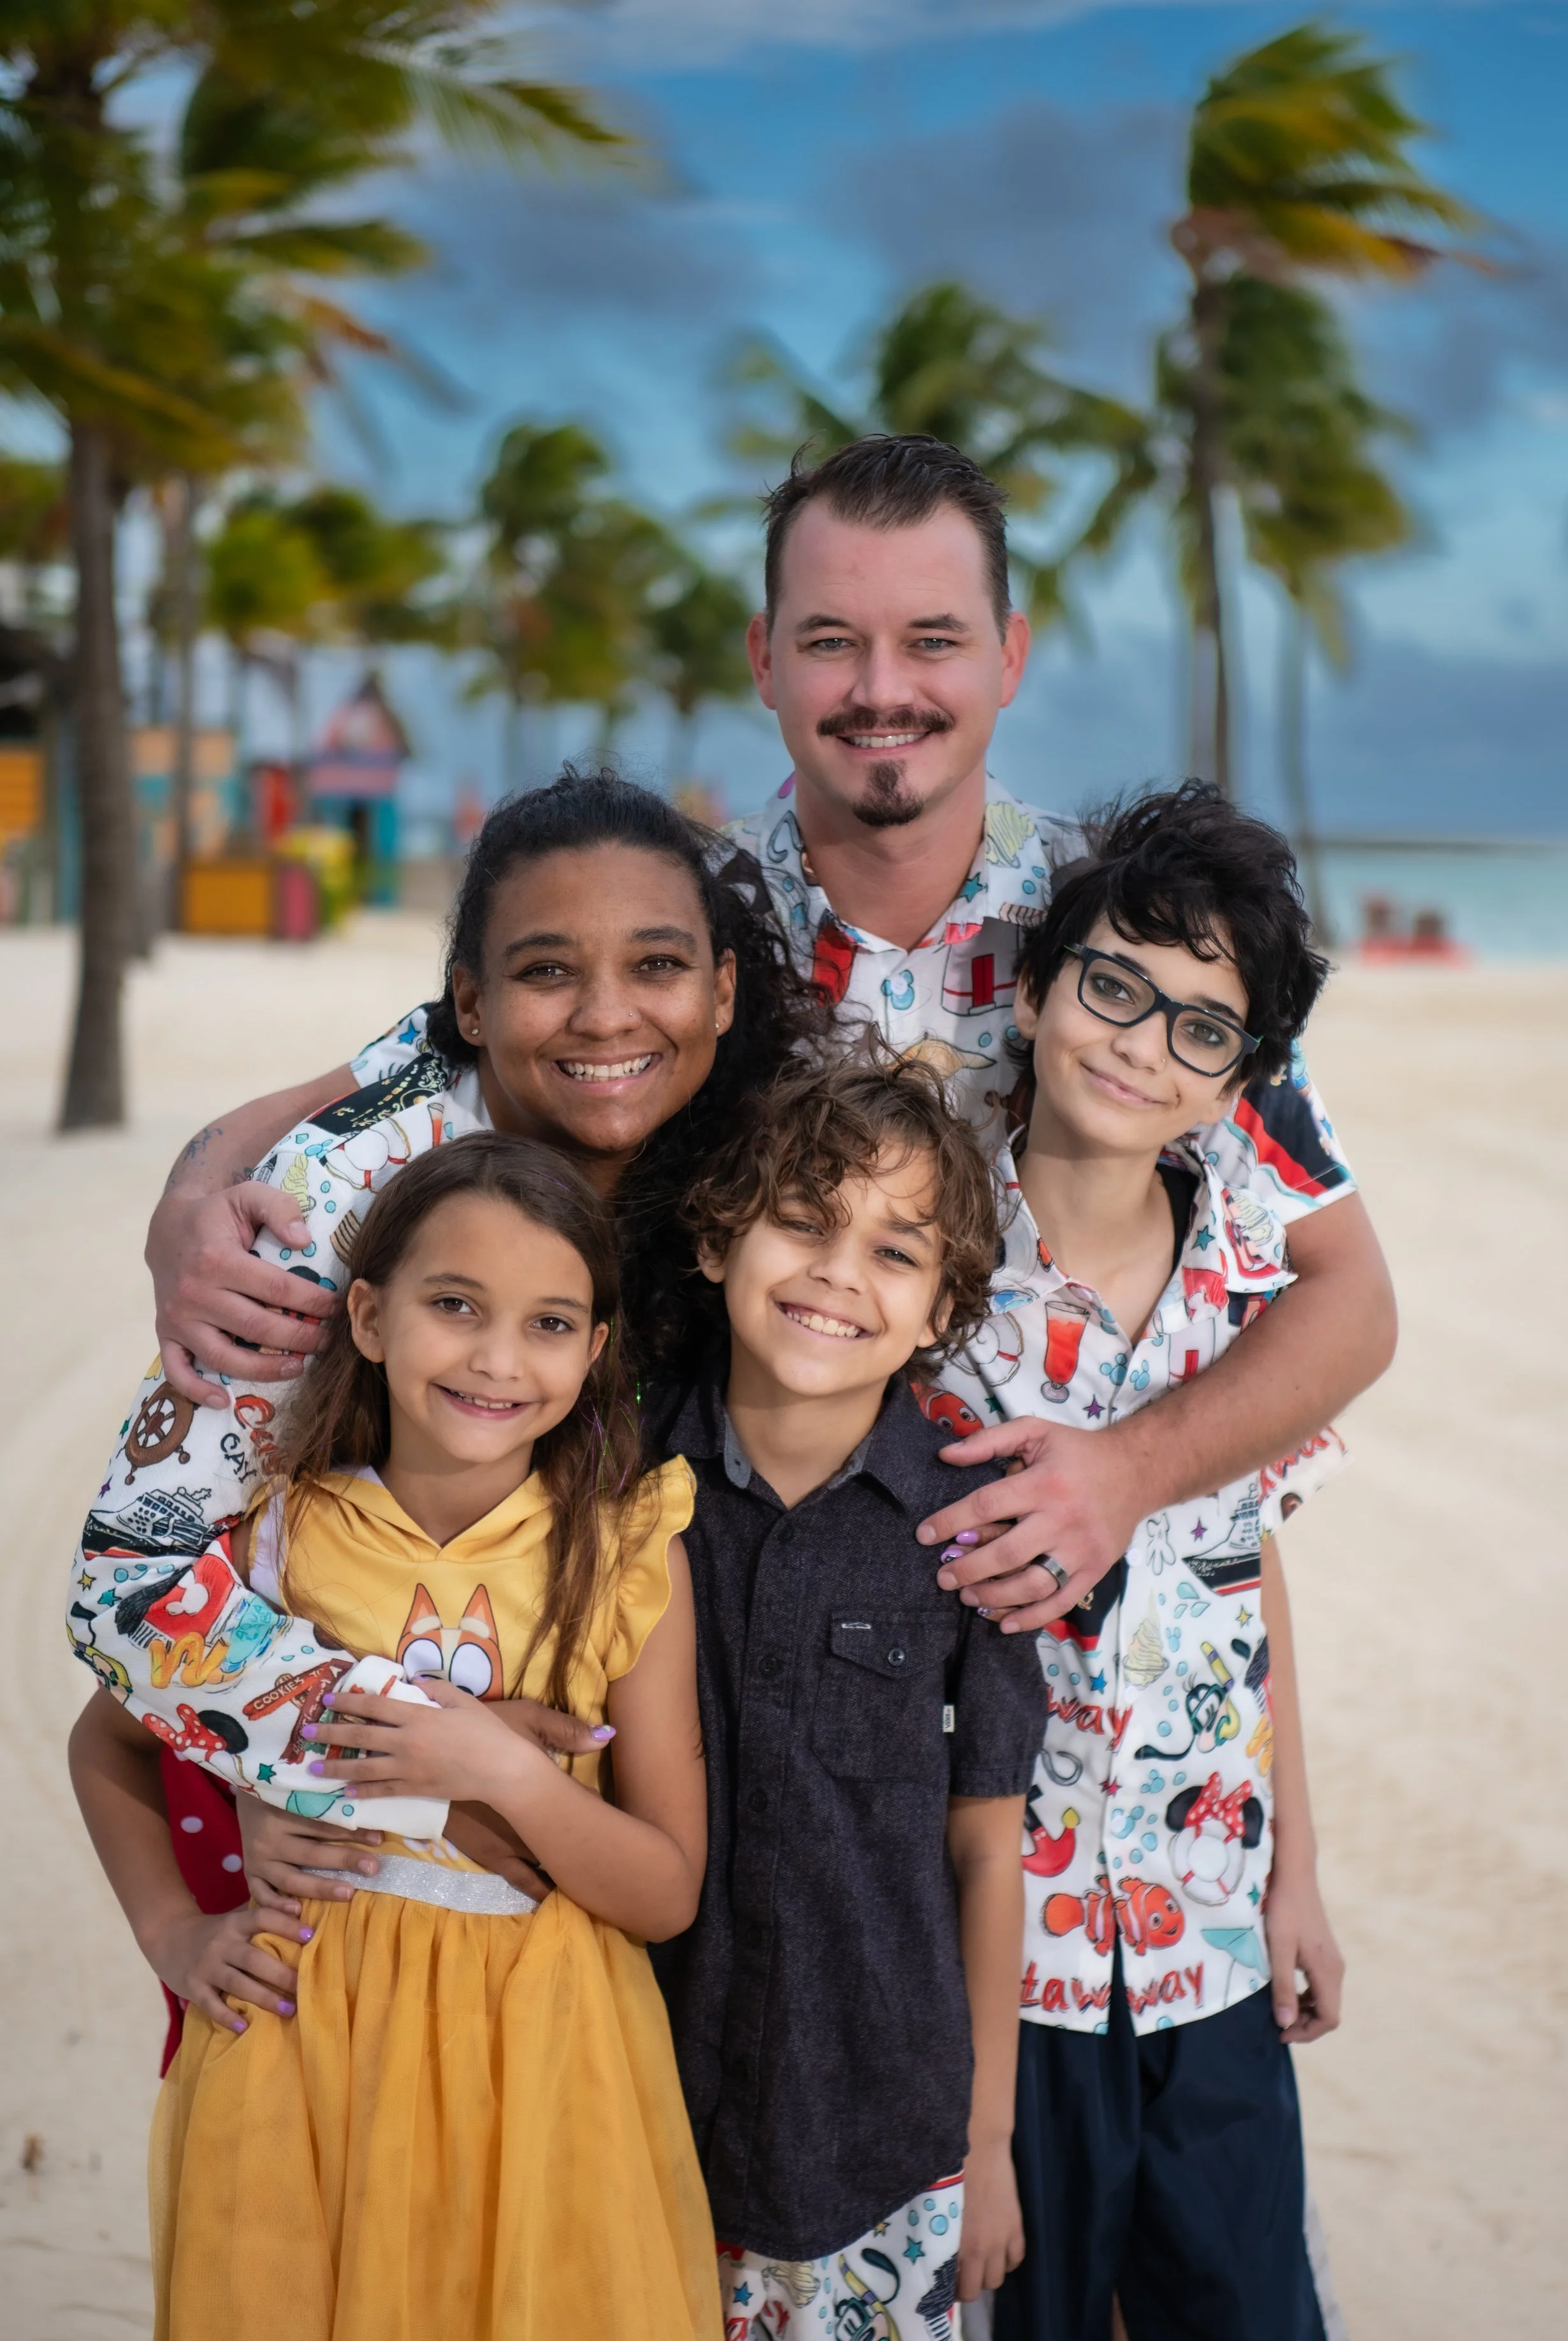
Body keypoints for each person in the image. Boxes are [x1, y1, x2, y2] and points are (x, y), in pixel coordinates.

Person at [138, 434, 1395, 1644]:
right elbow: (395, 1069)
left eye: (932, 642)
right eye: (831, 643)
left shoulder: (1120, 940)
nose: (881, 689)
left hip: (1064, 1631)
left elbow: (1349, 1295)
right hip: (747, 1594)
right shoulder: (680, 924)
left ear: (1007, 657)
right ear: (764, 658)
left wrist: (1127, 1471)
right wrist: (192, 1192)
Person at [68, 767, 821, 1936]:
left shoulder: (746, 1163)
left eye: (658, 965)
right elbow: (128, 1584)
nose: (608, 1013)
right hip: (350, 1913)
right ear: (471, 1004)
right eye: (548, 971)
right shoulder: (345, 1211)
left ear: (723, 992)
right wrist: (397, 1755)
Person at [68, 1135, 722, 2341]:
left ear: (593, 1356)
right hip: (302, 2041)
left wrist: (508, 1775)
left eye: (547, 1323)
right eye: (454, 1306)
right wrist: (171, 1934)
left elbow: (663, 1891)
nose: (494, 1356)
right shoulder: (273, 1538)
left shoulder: (628, 1551)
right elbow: (108, 1740)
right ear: (367, 1315)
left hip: (544, 2051)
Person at [931, 787, 1351, 2341]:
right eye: (1112, 985)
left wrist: (1294, 1870)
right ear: (1035, 988)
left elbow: (1252, 1586)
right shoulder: (921, 1270)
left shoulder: (1251, 1290)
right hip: (998, 1965)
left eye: (1200, 1029)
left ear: (1233, 1086)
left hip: (1211, 1949)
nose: (1139, 1045)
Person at [646, 1048, 1047, 2341]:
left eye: (894, 1251)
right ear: (716, 1238)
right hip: (636, 2110)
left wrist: (985, 2143)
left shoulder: (964, 1532)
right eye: (802, 1222)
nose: (835, 1274)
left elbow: (988, 1851)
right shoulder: (622, 1479)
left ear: (940, 1308)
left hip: (883, 2136)